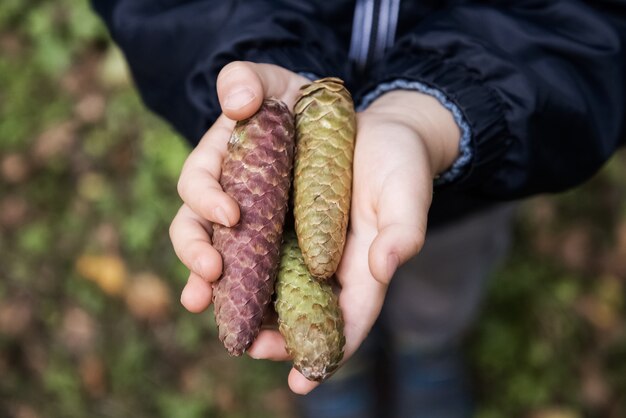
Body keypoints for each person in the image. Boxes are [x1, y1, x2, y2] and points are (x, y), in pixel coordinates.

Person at [91, 1, 626, 416]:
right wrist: (250, 53)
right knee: (355, 274)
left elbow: (590, 23)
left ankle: (429, 347)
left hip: (466, 171)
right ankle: (346, 372)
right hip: (295, 106)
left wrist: (434, 115)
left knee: (441, 282)